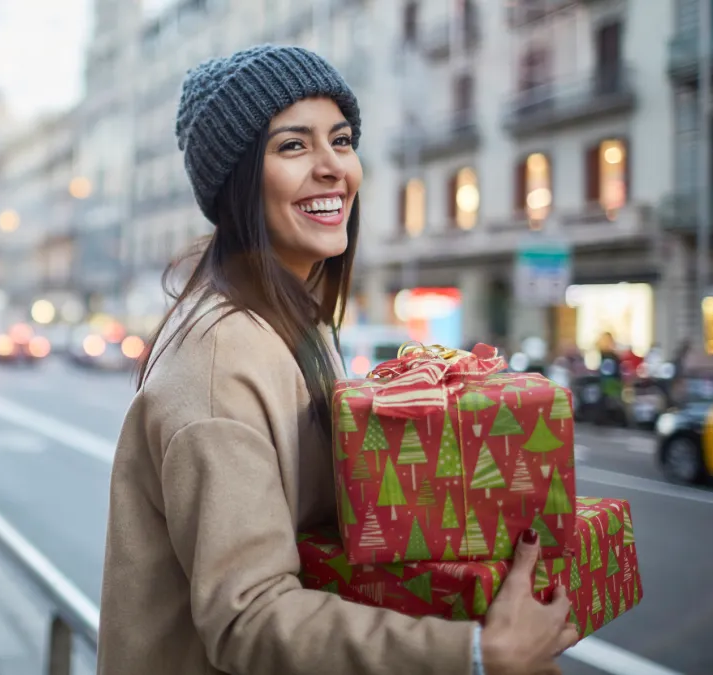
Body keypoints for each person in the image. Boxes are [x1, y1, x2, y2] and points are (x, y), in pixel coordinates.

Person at [97, 45, 578, 675]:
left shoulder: (299, 321)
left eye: (342, 140)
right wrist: (476, 655)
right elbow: (248, 617)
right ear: (238, 181)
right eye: (293, 146)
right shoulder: (220, 362)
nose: (334, 169)